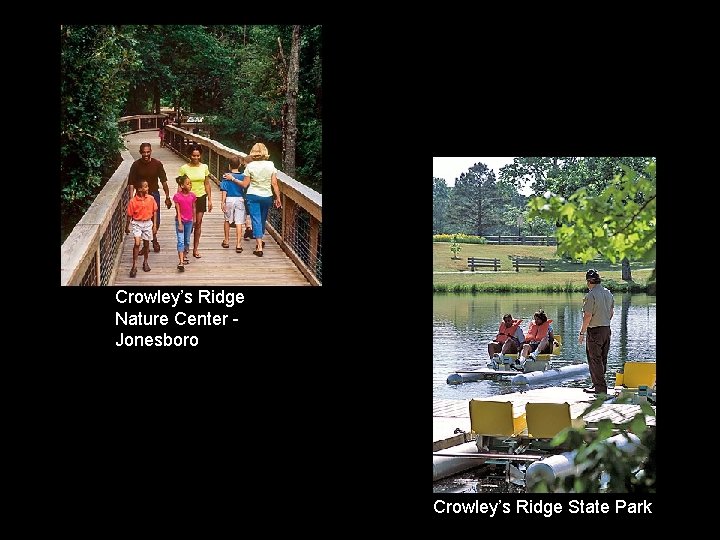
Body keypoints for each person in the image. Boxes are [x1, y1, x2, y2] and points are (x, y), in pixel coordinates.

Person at [224, 142, 281, 257]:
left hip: (253, 196)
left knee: (256, 219)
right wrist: (278, 197)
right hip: (267, 196)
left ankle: (259, 246)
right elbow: (274, 183)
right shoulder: (270, 164)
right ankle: (260, 240)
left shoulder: (250, 166)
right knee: (262, 219)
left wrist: (233, 179)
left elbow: (245, 185)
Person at [127, 142, 171, 254]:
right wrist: (131, 198)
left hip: (153, 194)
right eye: (144, 152)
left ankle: (153, 238)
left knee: (156, 219)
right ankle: (146, 244)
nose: (146, 154)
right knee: (142, 219)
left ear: (151, 151)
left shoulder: (157, 164)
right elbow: (131, 183)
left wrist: (167, 196)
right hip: (140, 196)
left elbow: (164, 181)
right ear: (140, 152)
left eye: (148, 152)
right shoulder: (136, 165)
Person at [579, 269, 615, 394]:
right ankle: (597, 385)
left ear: (589, 281)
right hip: (606, 329)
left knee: (594, 359)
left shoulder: (591, 295)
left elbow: (587, 316)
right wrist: (604, 321)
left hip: (595, 330)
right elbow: (611, 313)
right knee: (602, 358)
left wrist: (582, 332)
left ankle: (600, 388)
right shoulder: (608, 293)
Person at [178, 145, 212, 258]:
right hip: (187, 198)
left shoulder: (204, 167)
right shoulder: (184, 168)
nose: (195, 158)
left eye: (198, 155)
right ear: (190, 155)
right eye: (193, 155)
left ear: (200, 155)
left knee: (198, 223)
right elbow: (180, 185)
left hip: (201, 196)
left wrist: (210, 199)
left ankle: (195, 249)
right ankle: (185, 249)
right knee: (188, 224)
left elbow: (207, 183)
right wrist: (178, 200)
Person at [124, 180, 157, 278]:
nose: (147, 188)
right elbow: (129, 215)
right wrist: (127, 227)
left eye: (147, 186)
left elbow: (155, 211)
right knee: (137, 243)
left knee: (146, 244)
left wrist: (154, 225)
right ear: (139, 189)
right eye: (145, 187)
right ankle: (134, 265)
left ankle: (145, 262)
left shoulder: (151, 199)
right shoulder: (133, 201)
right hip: (137, 223)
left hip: (147, 223)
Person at [220, 155, 247, 253]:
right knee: (239, 221)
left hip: (229, 199)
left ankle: (226, 241)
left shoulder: (226, 176)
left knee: (227, 220)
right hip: (240, 199)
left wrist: (222, 202)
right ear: (239, 165)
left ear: (229, 165)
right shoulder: (243, 176)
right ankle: (238, 244)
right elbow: (244, 188)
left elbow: (224, 190)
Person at [173, 175, 197, 272]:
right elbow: (178, 211)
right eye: (187, 184)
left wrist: (194, 219)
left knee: (187, 241)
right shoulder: (177, 197)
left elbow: (194, 208)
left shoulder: (192, 196)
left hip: (189, 221)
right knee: (181, 241)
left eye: (190, 183)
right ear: (182, 186)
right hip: (180, 221)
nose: (190, 185)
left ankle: (185, 255)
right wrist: (179, 223)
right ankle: (181, 261)